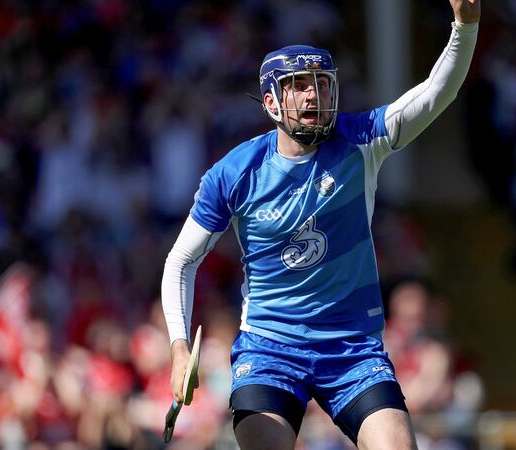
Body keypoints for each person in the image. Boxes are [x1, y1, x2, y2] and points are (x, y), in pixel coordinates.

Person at [161, 1, 480, 448]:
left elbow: (434, 94)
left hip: (353, 349)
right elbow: (181, 261)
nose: (313, 96)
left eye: (322, 86)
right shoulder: (233, 173)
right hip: (270, 348)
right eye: (297, 86)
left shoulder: (361, 141)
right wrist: (178, 348)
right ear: (271, 101)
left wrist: (465, 26)